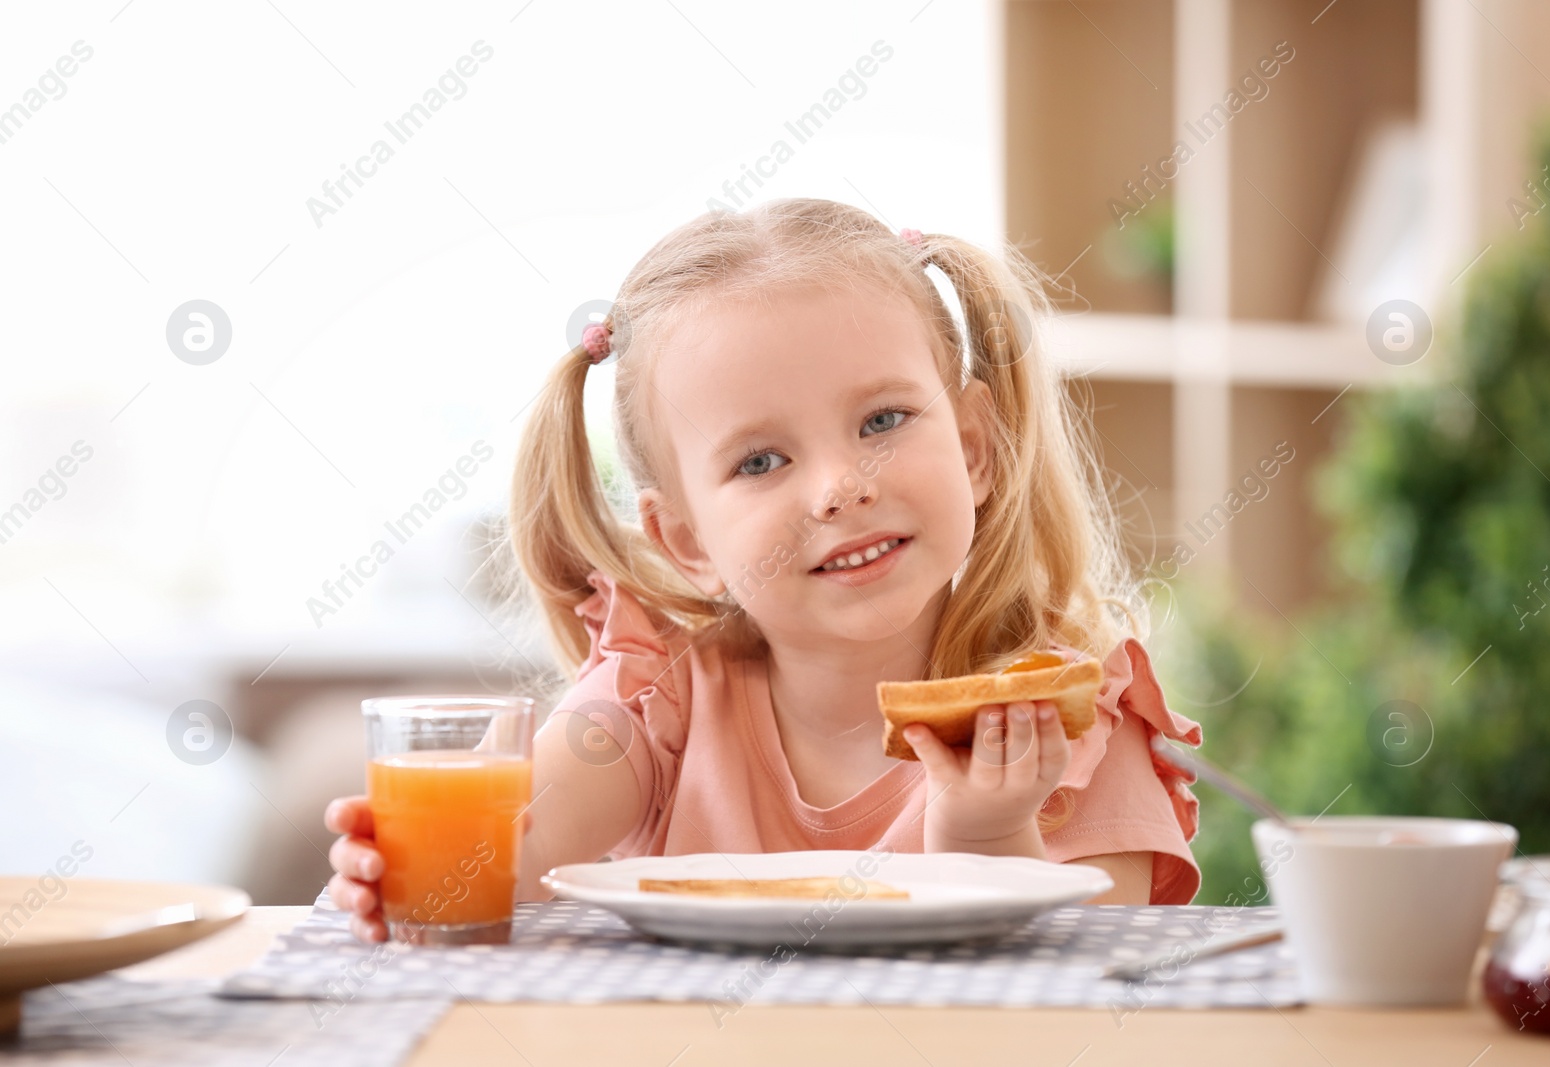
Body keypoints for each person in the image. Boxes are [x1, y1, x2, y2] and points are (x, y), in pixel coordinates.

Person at [324, 198, 1203, 942]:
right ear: (688, 543)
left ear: (974, 448)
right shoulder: (658, 697)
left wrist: (991, 833)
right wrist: (404, 869)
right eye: (759, 462)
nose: (838, 489)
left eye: (883, 420)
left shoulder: (1063, 717)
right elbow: (508, 845)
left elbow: (1086, 997)